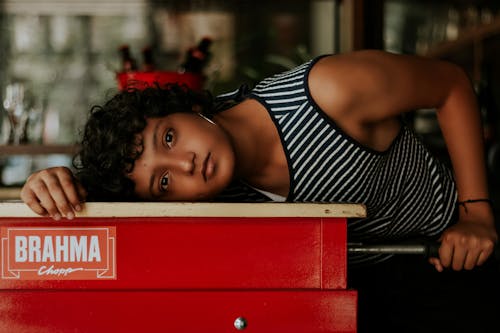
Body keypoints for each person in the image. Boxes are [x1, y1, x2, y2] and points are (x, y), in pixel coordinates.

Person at [21, 50, 498, 331]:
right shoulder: (208, 193)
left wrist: (475, 212)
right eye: (164, 182)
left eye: (168, 137)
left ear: (186, 106)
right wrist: (56, 182)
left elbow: (450, 85)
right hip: (363, 282)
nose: (185, 164)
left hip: (457, 247)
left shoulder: (329, 92)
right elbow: (125, 206)